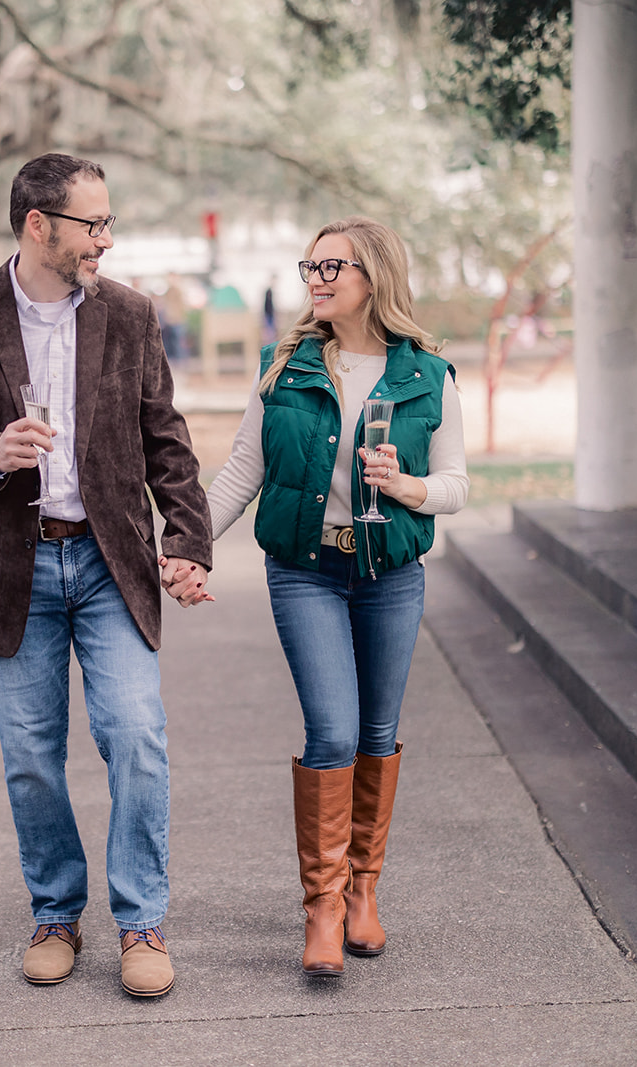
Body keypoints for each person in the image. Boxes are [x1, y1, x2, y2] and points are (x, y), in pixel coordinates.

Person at [0, 153, 213, 999]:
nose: (106, 238)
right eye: (92, 223)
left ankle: (141, 919)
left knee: (136, 734)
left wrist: (189, 537)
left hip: (109, 561)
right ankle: (57, 912)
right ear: (40, 225)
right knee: (32, 755)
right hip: (8, 569)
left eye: (107, 222)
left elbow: (164, 438)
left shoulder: (132, 316)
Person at [199, 216, 468, 977]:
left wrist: (408, 485)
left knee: (378, 730)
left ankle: (361, 894)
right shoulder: (285, 367)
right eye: (309, 267)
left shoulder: (428, 376)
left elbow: (455, 483)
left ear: (373, 277)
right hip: (306, 570)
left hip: (390, 576)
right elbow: (239, 474)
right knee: (333, 730)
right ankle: (320, 906)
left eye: (331, 267)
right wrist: (186, 549)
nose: (315, 279)